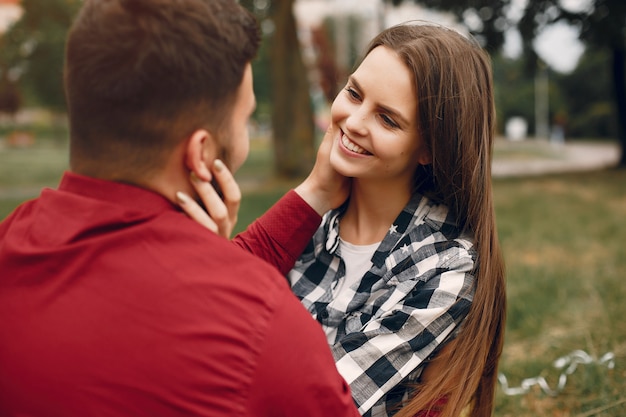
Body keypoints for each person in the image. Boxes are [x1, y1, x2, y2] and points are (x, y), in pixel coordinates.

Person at [0, 1, 360, 416]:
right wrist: (219, 272)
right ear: (200, 154)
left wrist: (311, 194)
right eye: (243, 119)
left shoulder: (13, 241)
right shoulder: (258, 331)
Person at [183, 23, 506, 417]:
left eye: (387, 119)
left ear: (429, 148)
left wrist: (218, 292)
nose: (353, 122)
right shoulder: (311, 219)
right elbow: (197, 324)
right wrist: (314, 193)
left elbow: (313, 404)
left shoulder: (443, 268)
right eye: (353, 94)